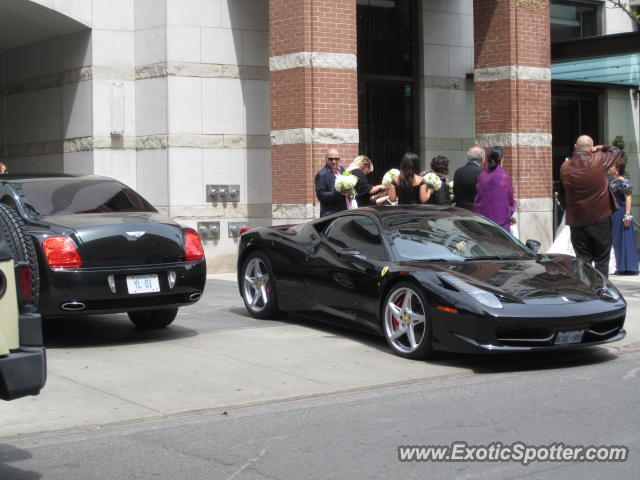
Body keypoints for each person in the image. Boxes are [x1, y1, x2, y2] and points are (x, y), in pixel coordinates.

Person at [560, 135, 621, 277]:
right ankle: (601, 292)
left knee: (582, 260)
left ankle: (585, 293)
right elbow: (616, 151)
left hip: (577, 221)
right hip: (600, 218)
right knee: (601, 260)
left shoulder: (565, 167)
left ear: (575, 146)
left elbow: (563, 194)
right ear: (591, 148)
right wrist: (601, 148)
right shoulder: (599, 159)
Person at [473, 146, 517, 232]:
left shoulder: (482, 175)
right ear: (501, 159)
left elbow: (478, 197)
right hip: (500, 225)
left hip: (483, 223)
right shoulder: (503, 176)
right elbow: (510, 200)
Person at [608, 157, 638, 275]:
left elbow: (628, 197)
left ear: (617, 168)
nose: (609, 167)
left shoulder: (622, 181)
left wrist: (627, 215)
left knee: (623, 238)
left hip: (621, 211)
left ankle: (627, 266)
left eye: (611, 165)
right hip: (613, 212)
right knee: (616, 238)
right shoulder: (610, 180)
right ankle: (619, 265)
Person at [315, 147, 350, 217]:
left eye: (336, 159)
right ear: (326, 159)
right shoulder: (322, 174)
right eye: (331, 159)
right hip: (330, 214)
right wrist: (338, 193)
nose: (334, 161)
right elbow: (321, 196)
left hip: (344, 211)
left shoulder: (342, 170)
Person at [453, 146, 485, 210]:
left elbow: (455, 191)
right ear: (482, 159)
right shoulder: (483, 173)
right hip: (477, 213)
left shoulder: (458, 171)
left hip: (460, 211)